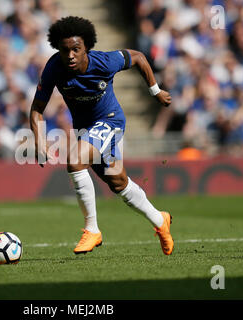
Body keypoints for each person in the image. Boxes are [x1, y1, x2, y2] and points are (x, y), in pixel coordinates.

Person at [29, 16, 174, 255]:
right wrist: (39, 140)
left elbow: (137, 57)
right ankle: (160, 220)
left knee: (75, 160)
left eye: (76, 49)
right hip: (85, 129)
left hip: (110, 120)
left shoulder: (105, 62)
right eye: (65, 50)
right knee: (118, 183)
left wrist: (155, 90)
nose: (71, 55)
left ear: (87, 47)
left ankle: (92, 230)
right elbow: (36, 109)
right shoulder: (54, 68)